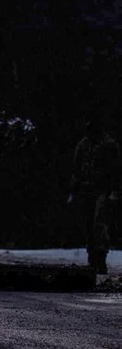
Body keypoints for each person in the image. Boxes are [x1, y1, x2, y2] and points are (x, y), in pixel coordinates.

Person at [68, 117, 121, 274]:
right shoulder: (83, 145)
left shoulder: (109, 145)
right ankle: (92, 259)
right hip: (86, 190)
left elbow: (116, 171)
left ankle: (100, 259)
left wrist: (115, 191)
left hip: (102, 190)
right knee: (89, 226)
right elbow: (76, 169)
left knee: (99, 224)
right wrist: (73, 191)